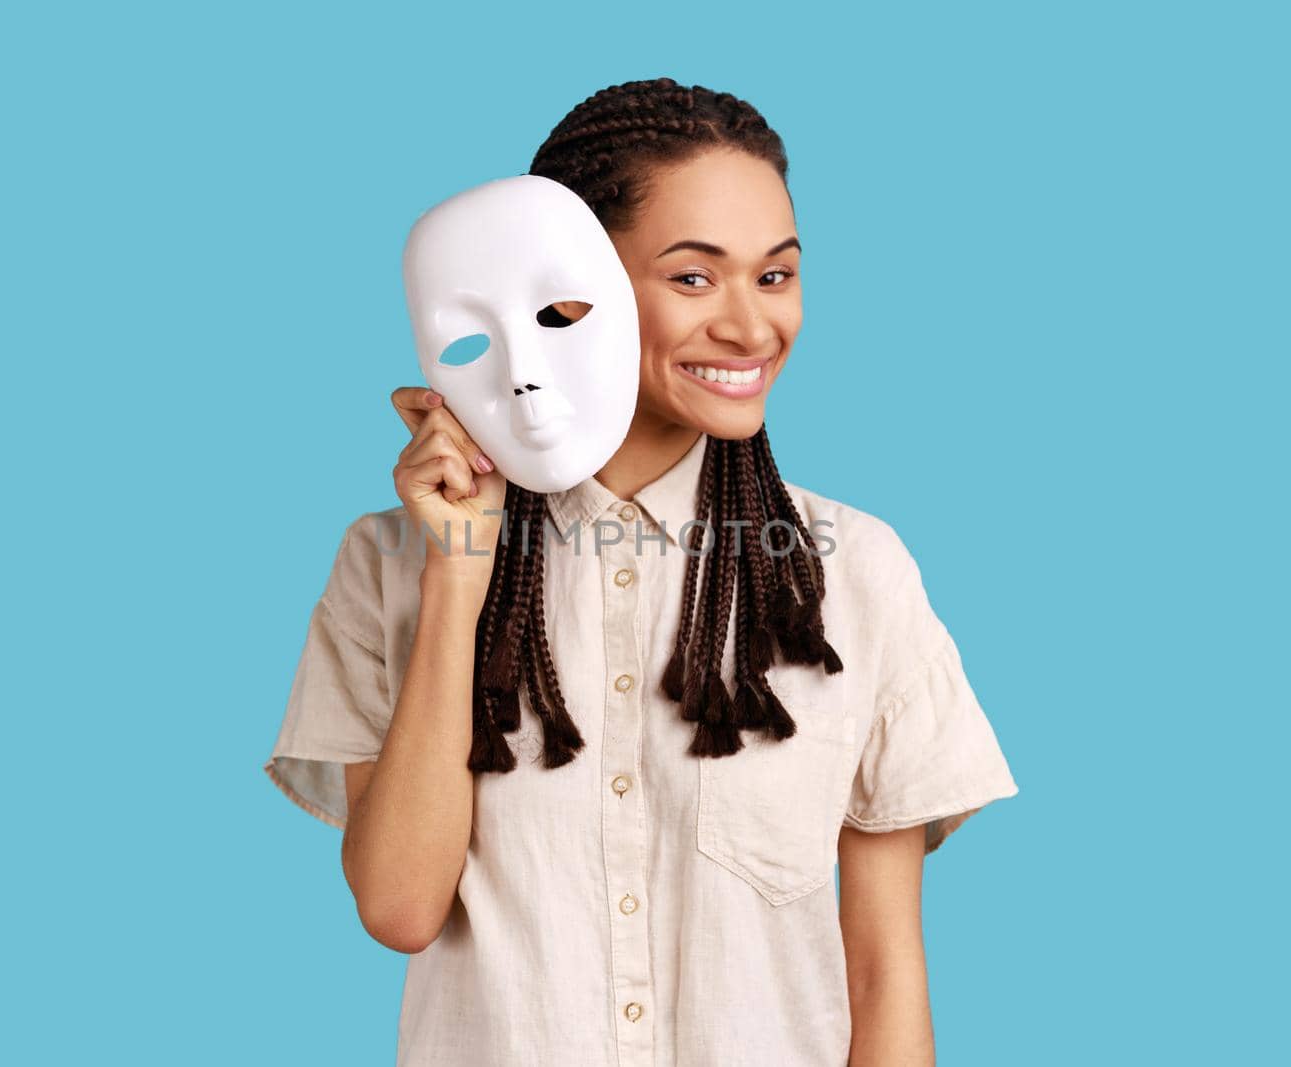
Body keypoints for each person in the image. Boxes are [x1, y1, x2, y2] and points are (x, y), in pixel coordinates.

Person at [263, 76, 1019, 1067]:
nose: (752, 329)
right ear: (566, 289)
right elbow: (401, 905)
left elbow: (884, 974)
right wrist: (459, 576)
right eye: (693, 277)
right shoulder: (386, 563)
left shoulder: (854, 572)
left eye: (776, 275)